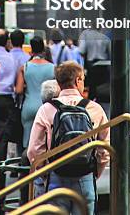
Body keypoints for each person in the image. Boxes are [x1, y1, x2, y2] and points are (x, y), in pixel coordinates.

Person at [27, 61, 110, 215]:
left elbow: (34, 150)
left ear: (59, 83)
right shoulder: (94, 109)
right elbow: (104, 149)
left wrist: (45, 173)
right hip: (85, 177)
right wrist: (95, 172)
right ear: (78, 80)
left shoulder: (46, 109)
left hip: (56, 176)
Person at [0, 30, 20, 192]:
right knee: (1, 141)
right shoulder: (12, 59)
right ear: (7, 41)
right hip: (6, 100)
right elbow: (16, 82)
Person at [15, 36, 54, 148]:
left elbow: (19, 90)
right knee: (46, 139)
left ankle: (27, 162)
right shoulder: (52, 68)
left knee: (28, 140)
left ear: (31, 49)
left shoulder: (25, 67)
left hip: (29, 106)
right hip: (46, 107)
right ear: (43, 49)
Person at [78, 28, 111, 100]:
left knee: (92, 87)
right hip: (103, 64)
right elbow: (110, 54)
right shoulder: (105, 37)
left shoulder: (86, 35)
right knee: (103, 87)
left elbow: (81, 50)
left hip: (91, 64)